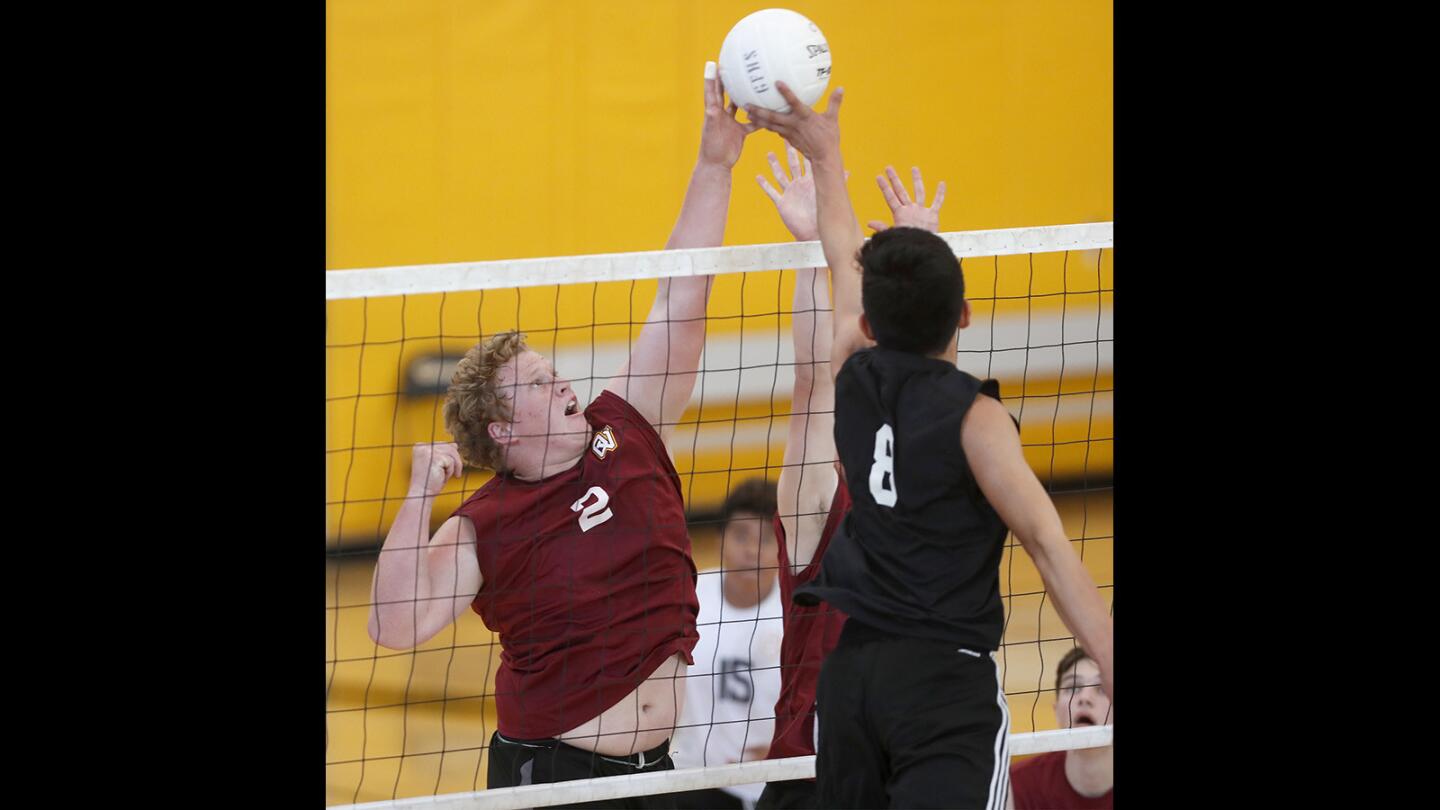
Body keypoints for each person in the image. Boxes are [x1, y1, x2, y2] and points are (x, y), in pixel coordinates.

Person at [366, 62, 756, 808]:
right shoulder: (489, 524)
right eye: (540, 384)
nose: (564, 384)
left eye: (555, 372)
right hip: (554, 778)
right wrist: (420, 496)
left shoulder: (626, 427)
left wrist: (715, 162)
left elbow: (684, 294)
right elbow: (393, 624)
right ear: (503, 428)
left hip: (663, 772)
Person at [746, 82, 1114, 809]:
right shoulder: (976, 418)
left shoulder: (851, 370)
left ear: (874, 323)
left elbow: (846, 267)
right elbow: (1045, 543)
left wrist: (825, 155)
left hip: (849, 683)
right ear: (967, 316)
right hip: (942, 684)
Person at [749, 146, 945, 810]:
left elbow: (932, 388)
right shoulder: (818, 519)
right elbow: (810, 388)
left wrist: (923, 256)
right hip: (812, 779)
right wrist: (811, 251)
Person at [668, 480, 784, 810]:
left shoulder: (796, 609)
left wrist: (785, 749)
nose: (751, 550)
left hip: (775, 777)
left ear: (783, 545)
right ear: (720, 539)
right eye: (741, 535)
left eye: (765, 539)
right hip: (693, 777)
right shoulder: (690, 596)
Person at [1007, 647, 1113, 809]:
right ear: (1056, 710)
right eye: (1073, 688)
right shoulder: (1016, 784)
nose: (1084, 698)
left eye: (1101, 688)